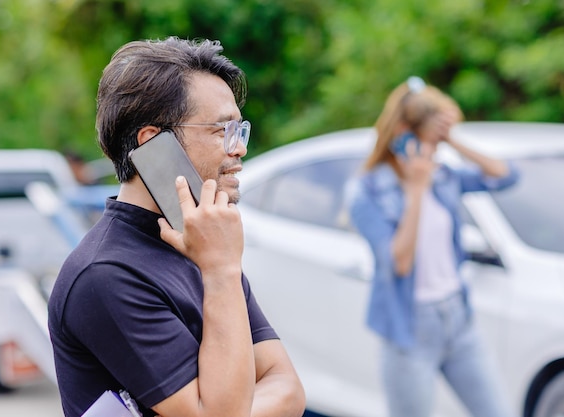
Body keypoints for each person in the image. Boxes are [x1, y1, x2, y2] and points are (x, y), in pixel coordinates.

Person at [48, 37, 305, 417]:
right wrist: (220, 271)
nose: (240, 149)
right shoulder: (106, 273)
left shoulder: (203, 242)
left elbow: (287, 387)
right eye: (222, 131)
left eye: (240, 130)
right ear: (154, 143)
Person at [345, 76, 519, 417]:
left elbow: (506, 176)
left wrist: (451, 138)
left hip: (459, 319)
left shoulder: (444, 174)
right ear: (404, 133)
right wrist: (415, 192)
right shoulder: (366, 191)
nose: (436, 149)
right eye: (432, 139)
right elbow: (400, 263)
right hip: (410, 331)